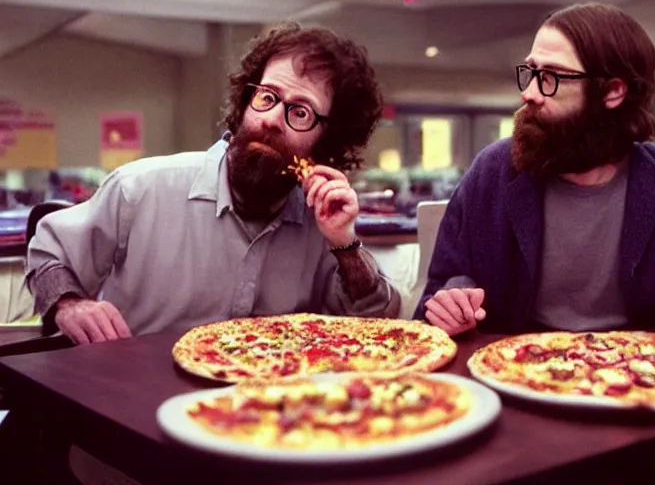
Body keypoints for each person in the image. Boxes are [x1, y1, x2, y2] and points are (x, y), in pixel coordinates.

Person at [27, 22, 401, 345]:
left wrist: (346, 245)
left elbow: (377, 323)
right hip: (134, 394)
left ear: (328, 141)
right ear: (244, 104)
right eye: (267, 97)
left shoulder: (321, 222)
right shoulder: (140, 188)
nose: (272, 118)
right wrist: (70, 304)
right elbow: (49, 253)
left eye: (299, 112)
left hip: (267, 411)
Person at [414, 2, 655, 340]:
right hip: (517, 367)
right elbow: (442, 285)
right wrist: (452, 300)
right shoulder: (492, 172)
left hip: (642, 373)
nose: (529, 92)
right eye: (531, 71)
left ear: (612, 91)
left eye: (550, 77)